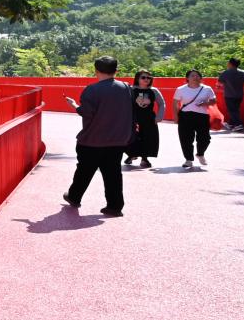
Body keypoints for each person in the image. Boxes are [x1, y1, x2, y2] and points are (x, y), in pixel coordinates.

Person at [61, 55, 133, 216]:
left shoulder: (92, 90)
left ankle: (74, 196)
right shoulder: (126, 87)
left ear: (96, 71)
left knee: (84, 171)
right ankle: (115, 206)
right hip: (117, 140)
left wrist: (75, 105)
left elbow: (87, 112)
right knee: (113, 174)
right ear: (116, 70)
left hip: (92, 140)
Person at [173, 69, 216, 169]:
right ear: (187, 78)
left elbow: (213, 101)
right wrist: (175, 116)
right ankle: (188, 160)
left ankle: (200, 154)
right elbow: (175, 103)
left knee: (205, 138)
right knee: (185, 139)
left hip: (202, 116)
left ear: (201, 78)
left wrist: (205, 103)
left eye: (197, 75)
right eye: (192, 76)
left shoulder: (207, 89)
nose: (195, 77)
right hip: (185, 116)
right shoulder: (181, 89)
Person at [124, 69, 166, 168]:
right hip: (133, 118)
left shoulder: (153, 90)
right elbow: (124, 103)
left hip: (149, 118)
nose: (146, 79)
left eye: (148, 78)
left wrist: (159, 116)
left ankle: (144, 159)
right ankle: (132, 155)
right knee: (131, 138)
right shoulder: (131, 90)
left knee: (148, 138)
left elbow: (161, 103)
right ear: (137, 78)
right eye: (143, 77)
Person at [218, 58, 244, 131]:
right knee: (235, 110)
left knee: (232, 110)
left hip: (229, 95)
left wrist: (221, 82)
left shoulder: (225, 73)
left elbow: (219, 83)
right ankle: (230, 124)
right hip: (240, 95)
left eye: (228, 62)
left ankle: (238, 125)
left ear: (230, 64)